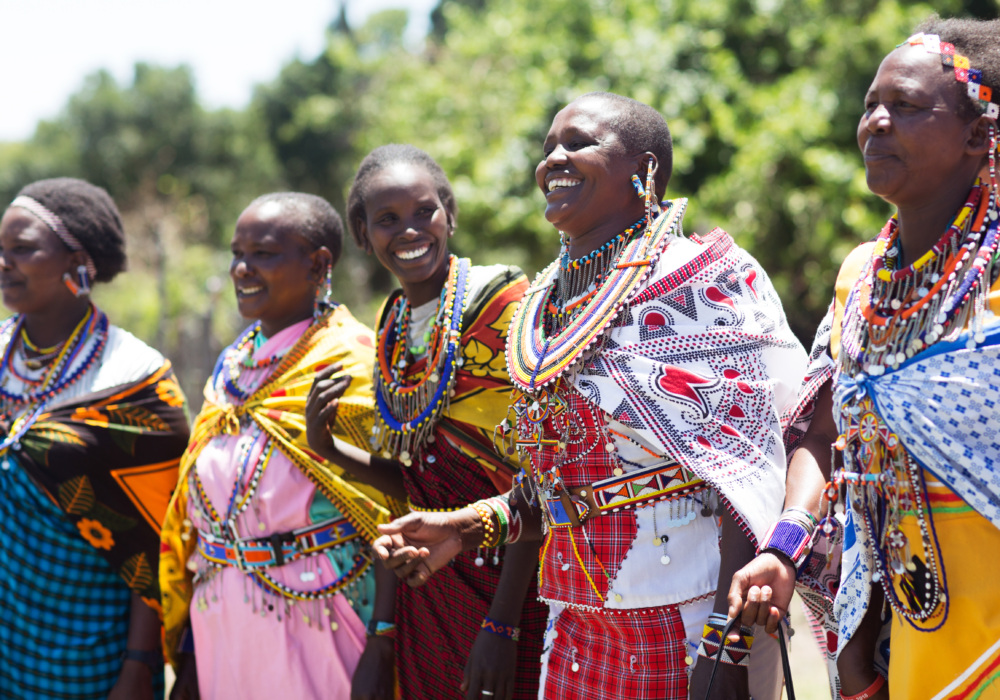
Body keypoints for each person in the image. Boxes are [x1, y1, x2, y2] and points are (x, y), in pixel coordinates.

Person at [370, 94, 808, 699]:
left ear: (645, 168)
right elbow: (559, 489)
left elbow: (746, 473)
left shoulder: (701, 276)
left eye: (579, 143)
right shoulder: (544, 305)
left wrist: (724, 645)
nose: (555, 158)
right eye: (548, 147)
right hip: (573, 621)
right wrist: (465, 528)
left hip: (686, 615)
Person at [728, 17, 1000, 700]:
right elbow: (824, 435)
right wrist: (782, 548)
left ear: (978, 134)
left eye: (906, 106)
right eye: (871, 105)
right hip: (905, 623)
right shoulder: (862, 279)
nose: (875, 122)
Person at [305, 144, 547, 700]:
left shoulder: (504, 306)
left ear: (450, 214)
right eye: (387, 220)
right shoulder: (392, 325)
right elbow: (414, 489)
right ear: (363, 237)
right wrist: (332, 452)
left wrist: (502, 625)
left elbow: (535, 478)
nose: (410, 231)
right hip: (430, 591)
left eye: (423, 212)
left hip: (511, 581)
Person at [159, 192, 390, 699]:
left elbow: (388, 509)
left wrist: (383, 645)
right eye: (237, 254)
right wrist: (193, 659)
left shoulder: (352, 361)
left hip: (320, 616)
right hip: (223, 623)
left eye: (262, 254)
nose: (242, 268)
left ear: (319, 263)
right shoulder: (232, 367)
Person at [0, 178, 190, 699]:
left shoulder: (135, 379)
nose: (3, 263)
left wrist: (136, 665)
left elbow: (158, 540)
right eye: (0, 249)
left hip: (90, 652)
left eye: (22, 249)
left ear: (76, 262)